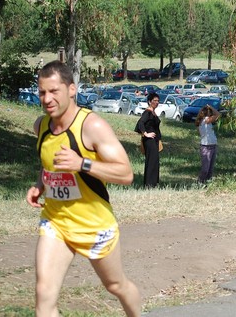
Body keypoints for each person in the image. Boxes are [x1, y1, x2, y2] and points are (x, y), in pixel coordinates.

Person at [26, 61, 141, 317]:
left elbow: (126, 173)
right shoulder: (41, 126)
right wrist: (39, 185)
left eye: (54, 91)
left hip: (94, 226)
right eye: (42, 92)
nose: (47, 99)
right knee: (44, 294)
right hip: (56, 222)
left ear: (71, 89)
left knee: (115, 285)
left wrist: (82, 163)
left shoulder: (92, 126)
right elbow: (50, 163)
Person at [137, 92, 161, 187]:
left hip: (154, 140)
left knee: (155, 161)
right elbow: (140, 123)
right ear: (149, 101)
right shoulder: (147, 112)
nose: (157, 102)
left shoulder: (153, 112)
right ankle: (149, 184)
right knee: (151, 161)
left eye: (158, 101)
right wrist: (146, 134)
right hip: (149, 141)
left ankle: (154, 183)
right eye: (155, 100)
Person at [196, 104, 221, 183]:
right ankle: (201, 182)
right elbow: (218, 114)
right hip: (207, 146)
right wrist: (211, 107)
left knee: (210, 168)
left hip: (211, 145)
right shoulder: (206, 120)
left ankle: (206, 183)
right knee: (206, 168)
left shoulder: (201, 122)